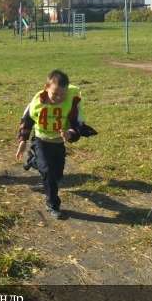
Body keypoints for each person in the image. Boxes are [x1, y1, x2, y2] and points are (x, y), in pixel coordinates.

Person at [15, 70, 96, 219]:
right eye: (55, 94)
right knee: (49, 173)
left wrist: (70, 134)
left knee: (57, 175)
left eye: (62, 95)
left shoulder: (72, 102)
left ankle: (34, 161)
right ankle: (53, 204)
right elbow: (26, 121)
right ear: (46, 87)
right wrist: (22, 141)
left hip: (58, 143)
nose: (58, 98)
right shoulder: (37, 102)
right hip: (41, 141)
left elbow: (77, 125)